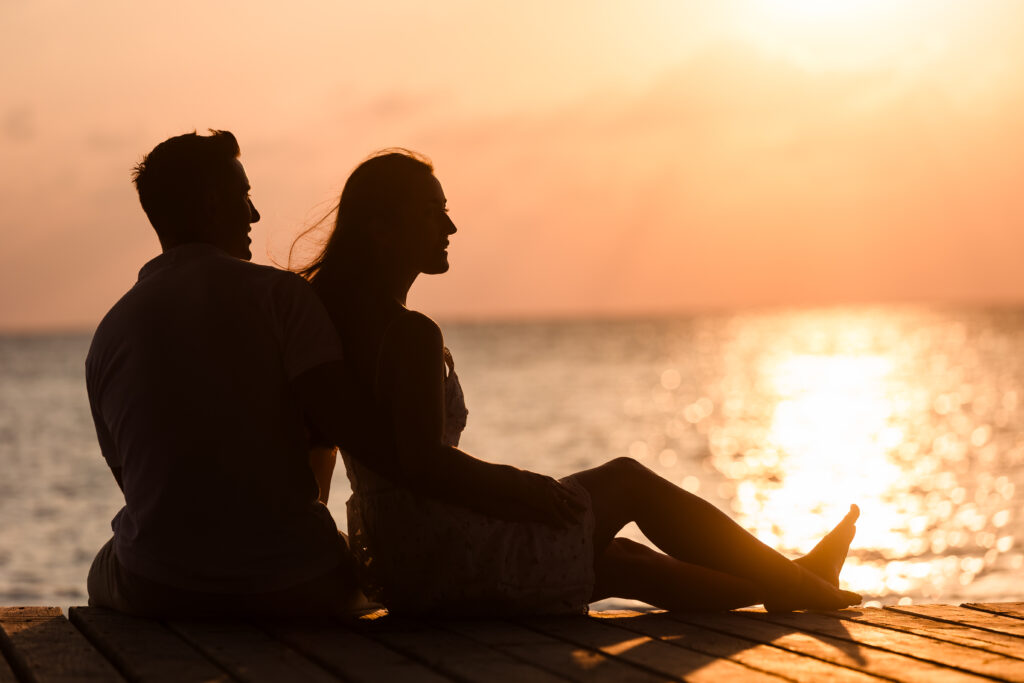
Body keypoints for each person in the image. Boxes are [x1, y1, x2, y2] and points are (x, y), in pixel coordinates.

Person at [298, 149, 863, 615]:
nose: (449, 226)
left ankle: (788, 582)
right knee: (627, 480)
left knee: (618, 560)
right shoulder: (408, 333)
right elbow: (424, 462)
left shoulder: (333, 324)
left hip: (399, 560)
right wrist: (525, 488)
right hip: (440, 551)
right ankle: (797, 583)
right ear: (381, 228)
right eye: (431, 212)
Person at [86, 130, 401, 617]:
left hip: (162, 587)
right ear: (213, 204)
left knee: (106, 563)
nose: (254, 214)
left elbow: (136, 484)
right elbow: (341, 426)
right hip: (298, 582)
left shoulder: (110, 332)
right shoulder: (282, 297)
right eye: (245, 196)